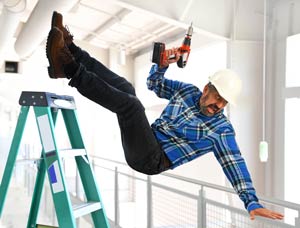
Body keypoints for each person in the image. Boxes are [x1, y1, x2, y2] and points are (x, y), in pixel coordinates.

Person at [46, 11, 284, 221]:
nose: (218, 105)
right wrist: (162, 64)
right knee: (128, 88)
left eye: (224, 102)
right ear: (206, 89)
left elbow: (236, 165)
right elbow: (154, 84)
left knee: (132, 106)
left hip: (152, 160)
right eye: (217, 97)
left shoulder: (221, 130)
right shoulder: (187, 91)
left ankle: (68, 68)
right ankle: (71, 52)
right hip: (147, 138)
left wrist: (251, 202)